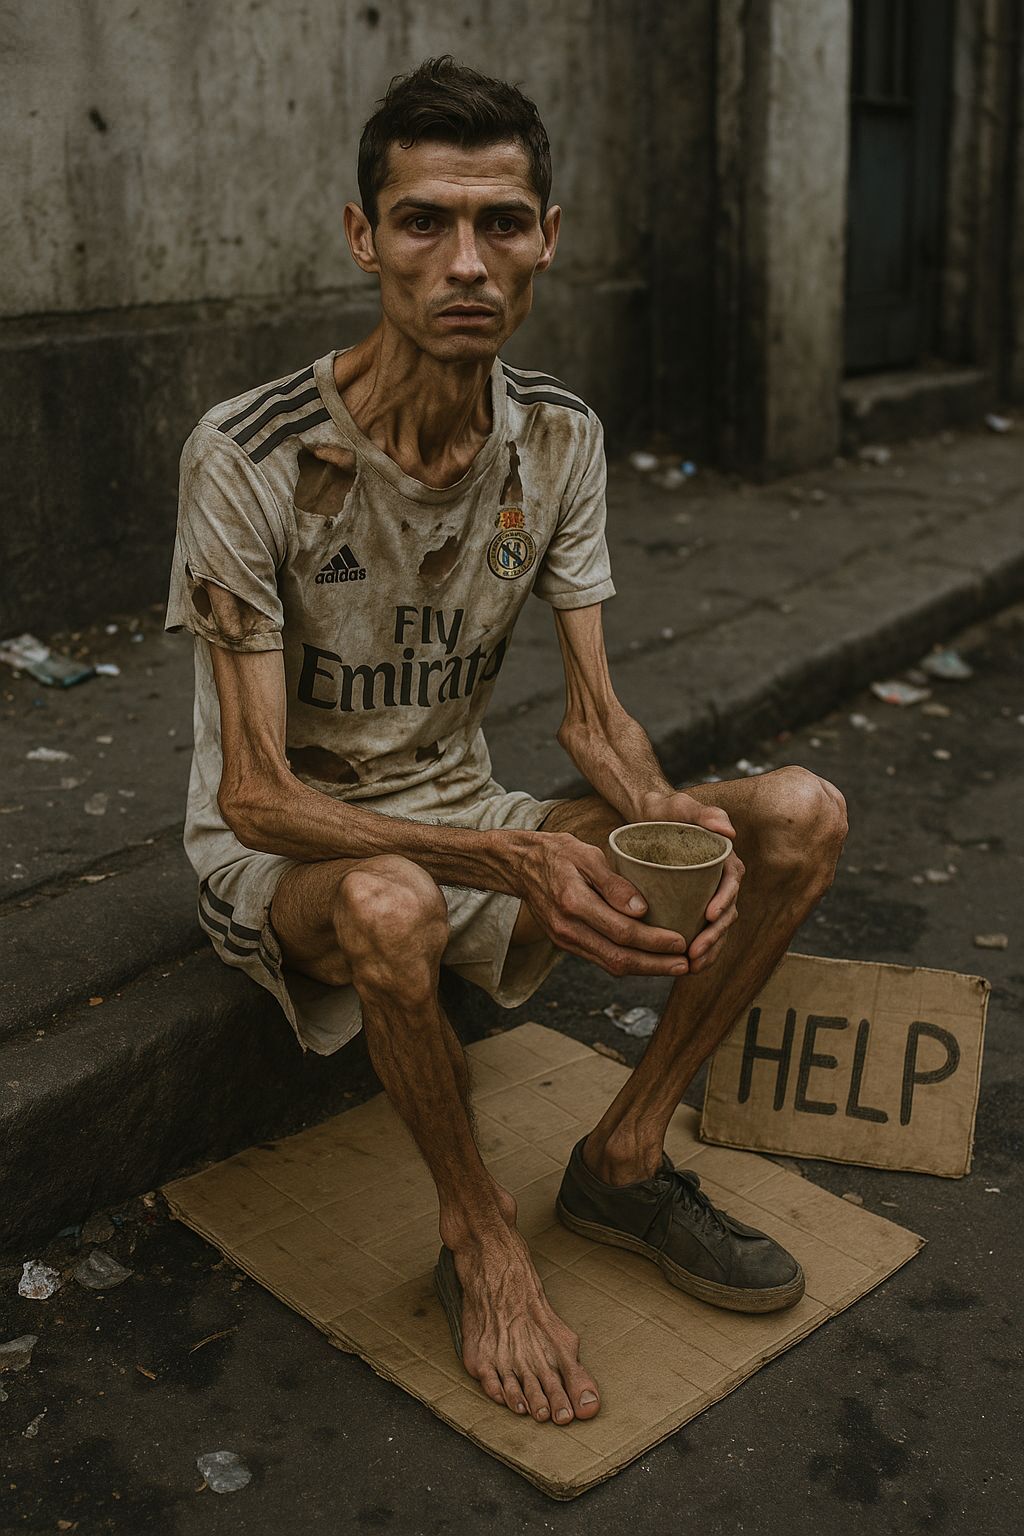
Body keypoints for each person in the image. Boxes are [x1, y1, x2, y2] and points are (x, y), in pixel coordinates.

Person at [166, 56, 847, 1431]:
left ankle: (626, 1155)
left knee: (796, 813)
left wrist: (668, 817)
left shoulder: (558, 438)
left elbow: (592, 717)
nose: (465, 262)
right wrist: (504, 854)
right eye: (425, 221)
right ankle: (480, 1238)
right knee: (391, 898)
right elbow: (253, 794)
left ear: (549, 238)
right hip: (302, 855)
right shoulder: (247, 452)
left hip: (479, 814)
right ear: (365, 239)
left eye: (503, 223)